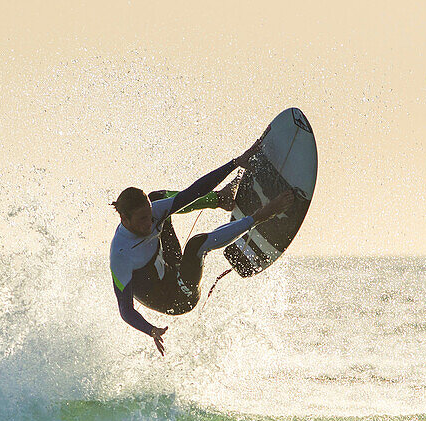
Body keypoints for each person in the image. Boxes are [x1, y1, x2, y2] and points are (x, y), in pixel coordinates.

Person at [110, 136, 300, 355]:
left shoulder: (152, 213)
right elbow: (125, 310)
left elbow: (192, 192)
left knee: (159, 197)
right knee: (196, 244)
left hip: (171, 267)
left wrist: (236, 162)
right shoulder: (121, 255)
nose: (149, 222)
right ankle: (260, 216)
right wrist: (150, 329)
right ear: (124, 219)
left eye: (149, 215)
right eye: (142, 219)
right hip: (176, 298)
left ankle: (221, 199)